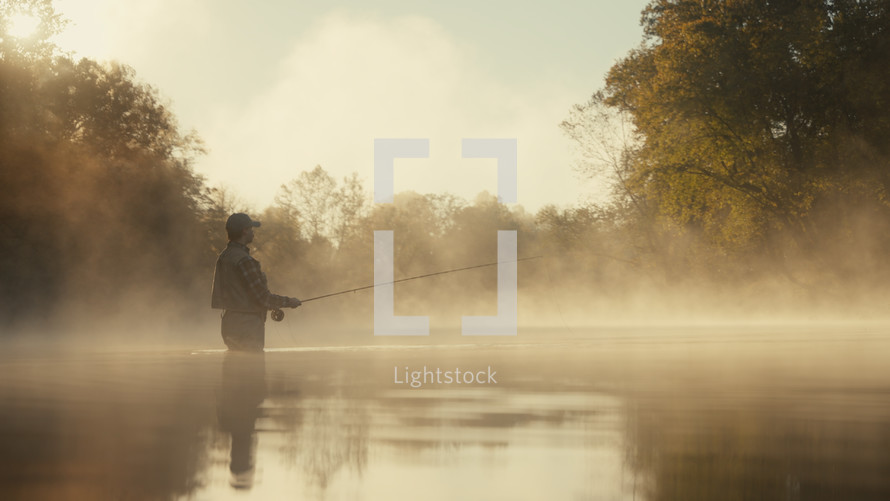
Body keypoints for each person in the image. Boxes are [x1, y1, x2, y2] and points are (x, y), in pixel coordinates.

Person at [211, 213, 301, 351]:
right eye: (251, 228)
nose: (253, 232)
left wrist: (272, 305)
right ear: (244, 230)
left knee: (233, 368)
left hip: (228, 322)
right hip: (248, 326)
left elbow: (243, 294)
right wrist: (289, 302)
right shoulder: (245, 261)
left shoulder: (223, 257)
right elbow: (262, 297)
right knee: (252, 369)